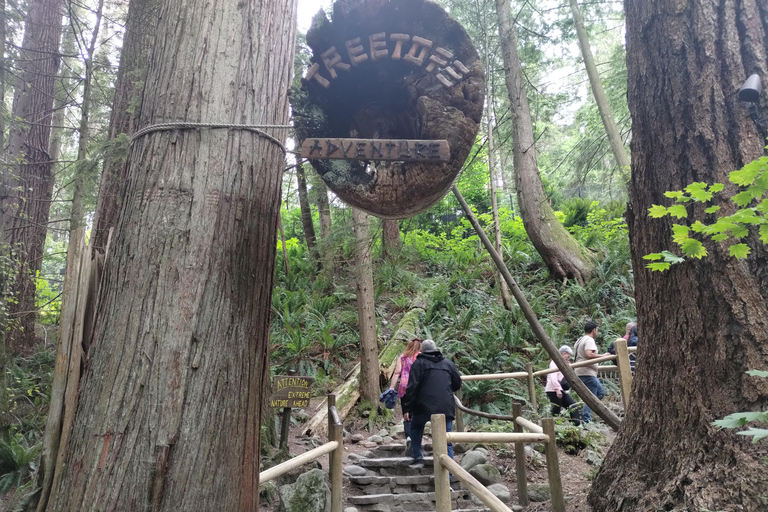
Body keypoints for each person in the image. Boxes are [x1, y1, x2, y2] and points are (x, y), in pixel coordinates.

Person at [402, 339, 462, 469]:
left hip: (423, 407)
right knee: (446, 441)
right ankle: (449, 474)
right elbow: (457, 384)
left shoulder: (418, 364)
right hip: (445, 407)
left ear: (422, 351)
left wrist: (407, 408)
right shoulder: (448, 364)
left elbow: (412, 387)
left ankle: (418, 457)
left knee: (415, 427)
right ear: (435, 348)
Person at [389, 337, 422, 455]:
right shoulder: (421, 357)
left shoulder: (403, 357)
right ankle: (416, 440)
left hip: (404, 388)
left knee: (406, 414)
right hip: (418, 389)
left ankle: (408, 437)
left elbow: (397, 372)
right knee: (417, 414)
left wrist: (392, 388)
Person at [574, 320, 609, 423]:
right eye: (597, 330)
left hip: (580, 372)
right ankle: (586, 420)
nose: (597, 331)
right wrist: (603, 356)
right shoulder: (589, 340)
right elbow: (588, 354)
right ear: (594, 330)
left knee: (593, 396)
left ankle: (584, 414)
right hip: (587, 373)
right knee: (596, 395)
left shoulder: (580, 340)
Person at [545, 346, 581, 425]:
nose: (569, 358)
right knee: (556, 410)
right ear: (564, 353)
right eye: (568, 356)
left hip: (562, 390)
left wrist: (568, 364)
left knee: (573, 406)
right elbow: (553, 376)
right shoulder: (554, 362)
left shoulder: (563, 363)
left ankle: (576, 425)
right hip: (553, 390)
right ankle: (554, 428)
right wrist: (557, 389)